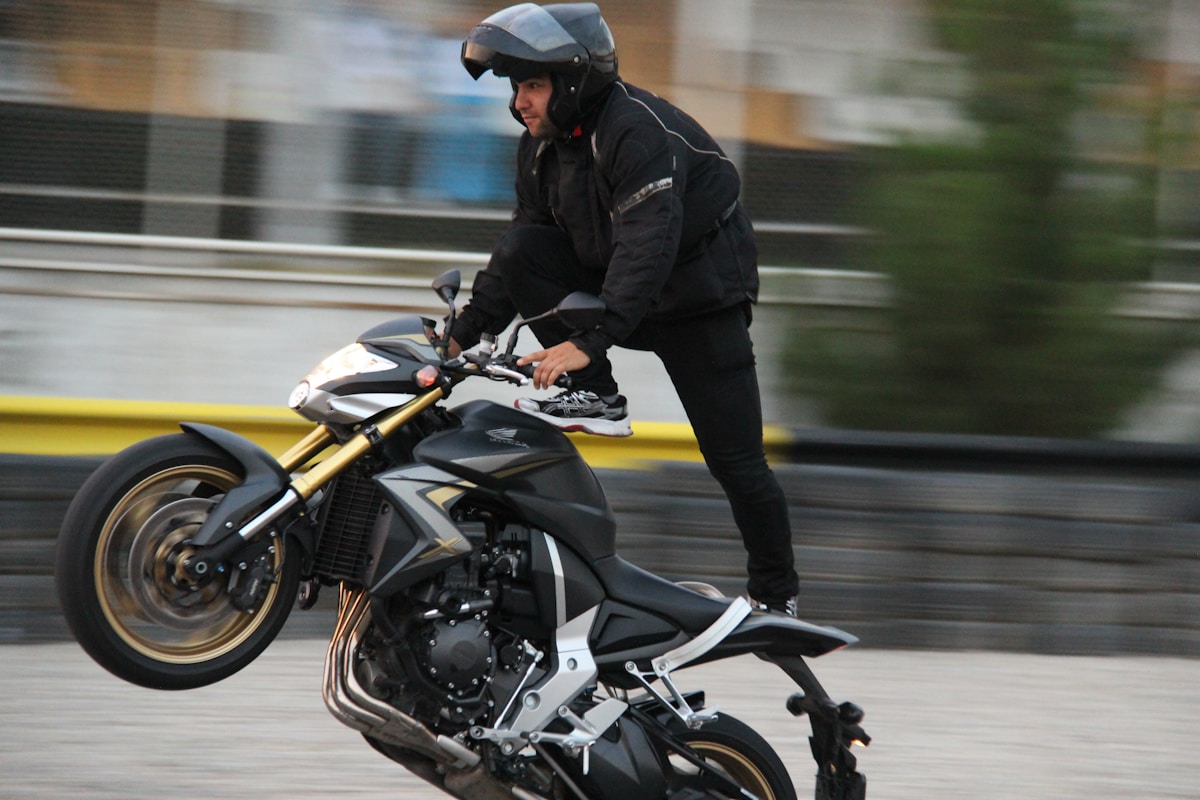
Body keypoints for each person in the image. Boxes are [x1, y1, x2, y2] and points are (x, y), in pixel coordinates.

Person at [453, 2, 799, 614]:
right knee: (524, 248)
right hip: (619, 289)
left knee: (737, 464)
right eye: (515, 87)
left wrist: (590, 340)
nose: (519, 103)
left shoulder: (636, 131)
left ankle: (778, 598)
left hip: (700, 307)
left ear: (574, 81)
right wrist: (457, 338)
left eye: (533, 86)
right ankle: (596, 395)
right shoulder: (540, 147)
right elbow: (519, 252)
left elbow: (649, 245)